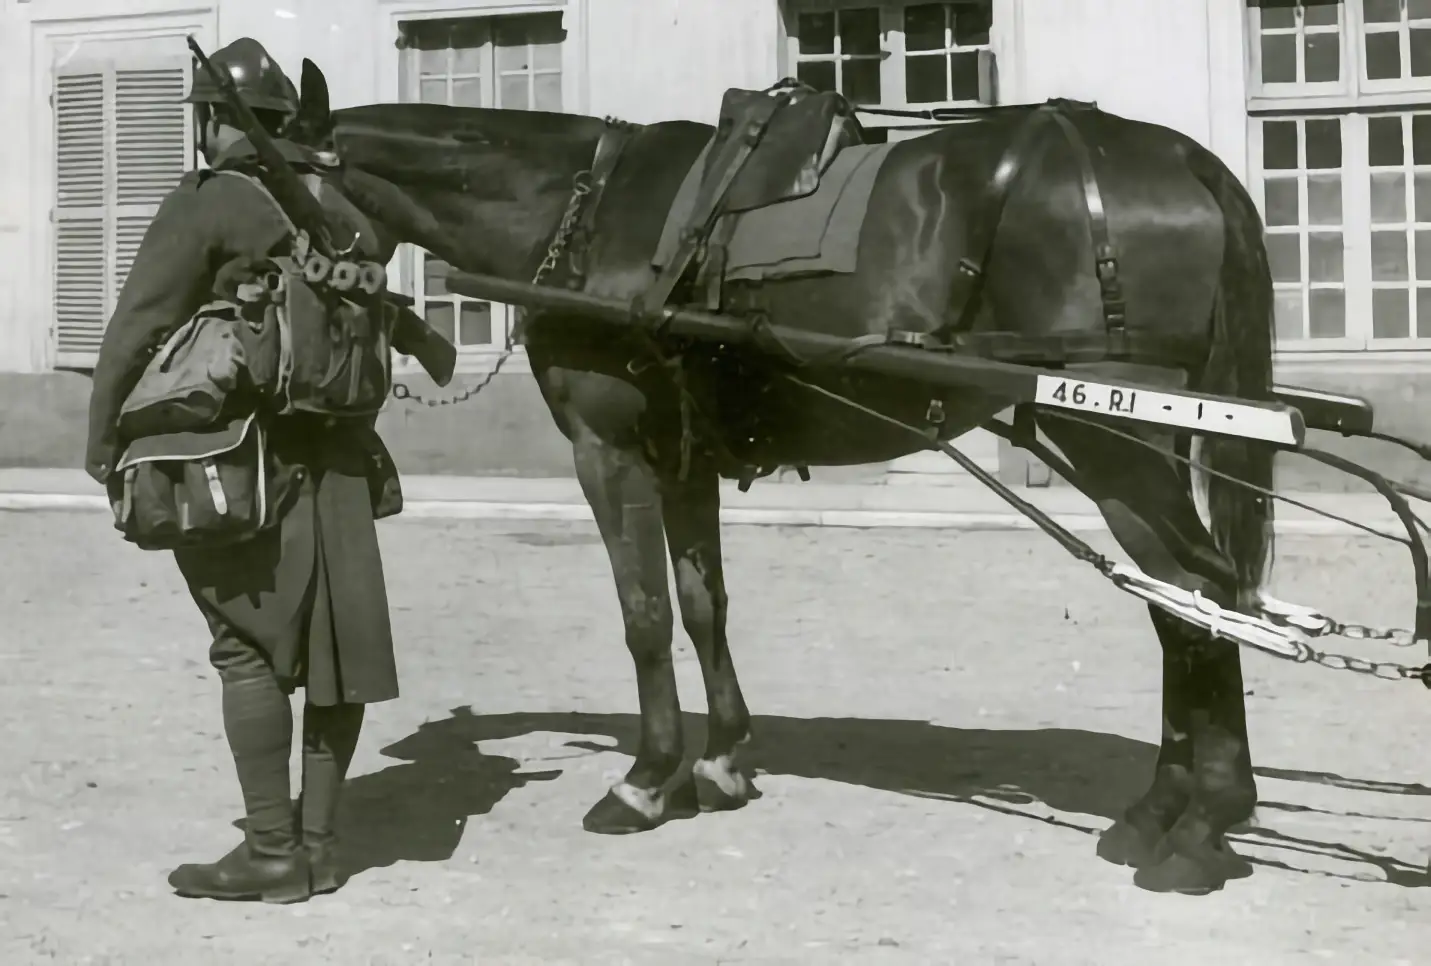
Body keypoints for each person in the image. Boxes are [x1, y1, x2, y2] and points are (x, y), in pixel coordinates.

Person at [84, 37, 402, 904]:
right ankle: (321, 847)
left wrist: (101, 438)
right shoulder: (342, 207)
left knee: (245, 648)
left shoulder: (210, 200)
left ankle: (269, 852)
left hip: (243, 457)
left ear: (215, 121)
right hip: (340, 455)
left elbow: (137, 323)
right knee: (334, 652)